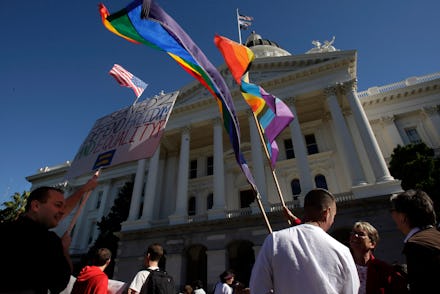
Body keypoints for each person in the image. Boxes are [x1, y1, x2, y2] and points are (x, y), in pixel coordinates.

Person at [0, 173, 99, 294]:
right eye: (58, 205)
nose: (62, 212)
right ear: (35, 206)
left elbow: (56, 212)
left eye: (63, 206)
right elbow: (60, 282)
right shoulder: (49, 241)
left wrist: (84, 189)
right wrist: (64, 250)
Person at [249, 188, 360, 294]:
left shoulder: (274, 240)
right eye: (333, 216)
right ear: (327, 213)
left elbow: (257, 288)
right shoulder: (343, 251)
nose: (332, 221)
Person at [389, 189, 440, 293]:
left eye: (392, 211)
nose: (392, 215)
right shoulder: (435, 236)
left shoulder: (416, 246)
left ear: (403, 217)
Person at [349, 221, 408, 294]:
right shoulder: (344, 266)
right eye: (353, 233)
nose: (355, 236)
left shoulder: (384, 269)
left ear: (372, 244)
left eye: (361, 234)